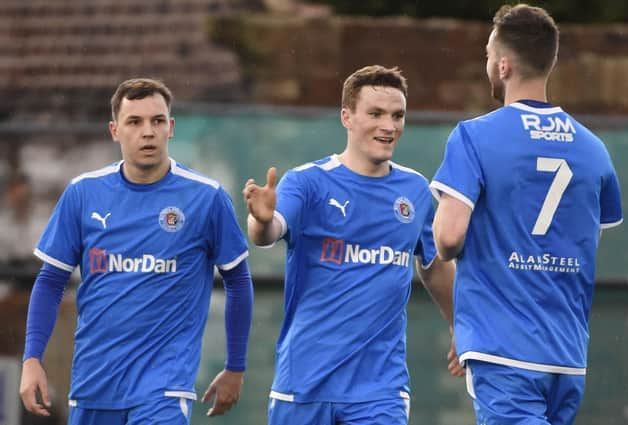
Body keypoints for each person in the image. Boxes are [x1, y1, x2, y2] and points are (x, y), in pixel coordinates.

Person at [19, 78, 254, 424]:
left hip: (164, 387)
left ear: (171, 128)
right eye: (135, 122)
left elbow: (238, 280)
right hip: (93, 383)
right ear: (115, 130)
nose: (148, 132)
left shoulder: (207, 197)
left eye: (157, 121)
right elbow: (51, 280)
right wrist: (31, 359)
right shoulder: (83, 193)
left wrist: (235, 366)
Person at [430, 4, 624, 424]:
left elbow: (446, 238)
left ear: (502, 65)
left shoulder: (474, 136)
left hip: (504, 347)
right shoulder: (594, 149)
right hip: (567, 352)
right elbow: (589, 237)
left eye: (486, 56)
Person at [243, 65, 459, 425]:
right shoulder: (308, 182)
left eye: (397, 115)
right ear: (346, 116)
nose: (388, 126)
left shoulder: (416, 191)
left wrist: (458, 325)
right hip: (303, 383)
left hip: (380, 390)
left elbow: (434, 265)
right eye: (375, 114)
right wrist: (262, 218)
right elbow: (267, 232)